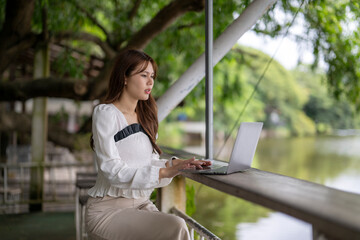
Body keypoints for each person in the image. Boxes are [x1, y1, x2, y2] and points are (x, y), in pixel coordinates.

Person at [86, 49, 211, 240]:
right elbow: (111, 169)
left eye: (152, 76)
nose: (150, 82)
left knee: (178, 228)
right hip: (108, 210)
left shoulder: (147, 118)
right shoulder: (106, 113)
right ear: (125, 77)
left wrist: (176, 165)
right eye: (143, 75)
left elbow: (150, 165)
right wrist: (164, 171)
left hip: (142, 204)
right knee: (176, 226)